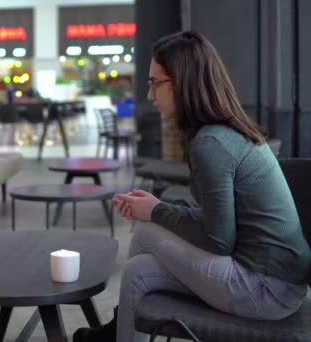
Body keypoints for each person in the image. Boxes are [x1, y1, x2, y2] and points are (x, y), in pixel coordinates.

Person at [74, 31, 311, 342]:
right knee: (138, 270)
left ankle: (115, 333)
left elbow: (218, 240)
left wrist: (156, 211)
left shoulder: (210, 144)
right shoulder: (224, 132)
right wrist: (156, 208)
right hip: (280, 281)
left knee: (145, 231)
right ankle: (118, 332)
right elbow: (217, 219)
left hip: (266, 288)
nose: (149, 95)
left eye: (155, 83)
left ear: (184, 82)